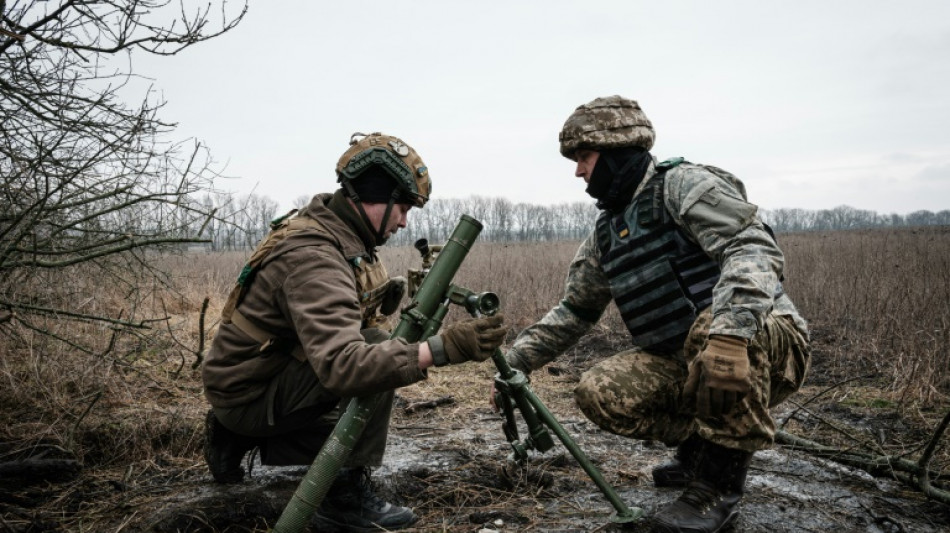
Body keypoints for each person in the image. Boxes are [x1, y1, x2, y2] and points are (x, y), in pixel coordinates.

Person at [502, 96, 810, 533]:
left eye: (584, 158)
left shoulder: (682, 186)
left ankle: (716, 490)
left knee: (710, 329)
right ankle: (700, 453)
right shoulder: (607, 232)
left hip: (766, 344)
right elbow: (575, 310)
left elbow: (753, 246)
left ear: (614, 152)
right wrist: (515, 362)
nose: (578, 172)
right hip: (691, 359)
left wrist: (729, 335)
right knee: (600, 390)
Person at [201, 132, 508, 532]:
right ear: (372, 198)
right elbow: (344, 365)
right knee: (377, 360)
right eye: (402, 208)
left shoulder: (337, 234)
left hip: (254, 380)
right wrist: (443, 348)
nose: (403, 221)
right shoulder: (314, 256)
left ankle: (232, 436)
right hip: (249, 393)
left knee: (376, 360)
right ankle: (341, 498)